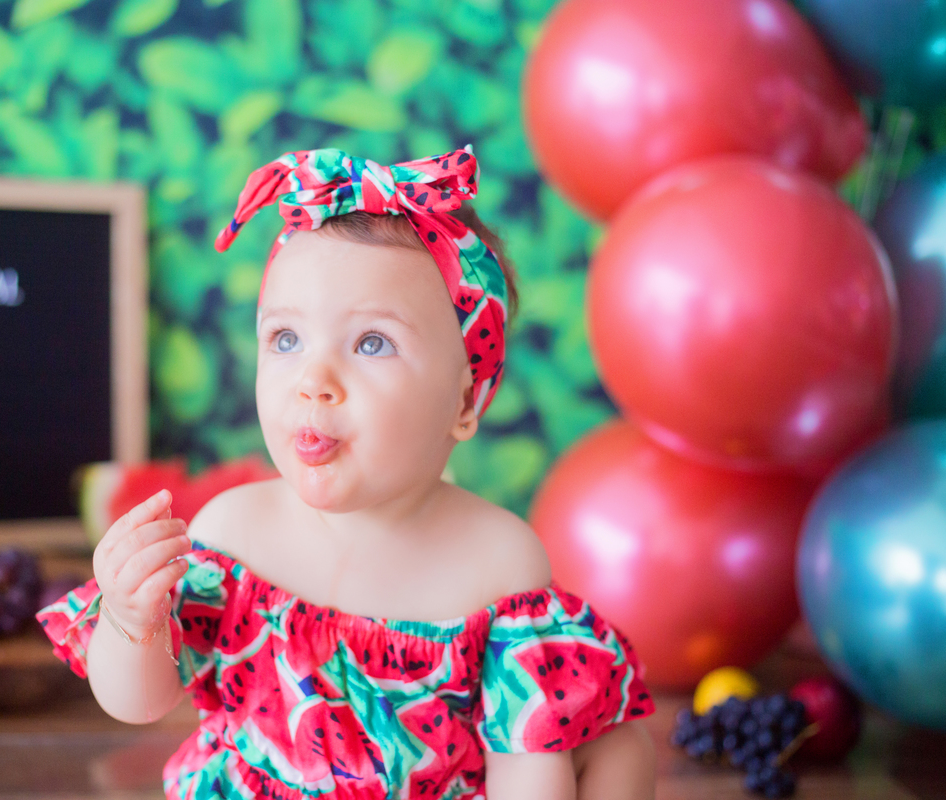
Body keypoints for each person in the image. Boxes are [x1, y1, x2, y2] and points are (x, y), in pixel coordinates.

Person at [38, 147, 657, 800]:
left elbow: (526, 767)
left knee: (620, 750)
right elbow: (139, 704)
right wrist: (132, 621)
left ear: (464, 402)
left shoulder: (499, 565)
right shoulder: (233, 535)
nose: (314, 380)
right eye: (285, 339)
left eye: (371, 343)